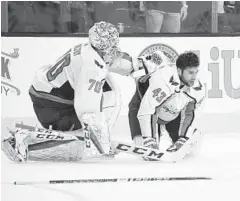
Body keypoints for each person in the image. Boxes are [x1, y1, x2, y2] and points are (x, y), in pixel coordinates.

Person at [1, 21, 139, 162]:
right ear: (101, 44)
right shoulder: (91, 67)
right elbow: (87, 109)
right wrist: (100, 142)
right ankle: (25, 143)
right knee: (81, 147)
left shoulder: (89, 50)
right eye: (109, 44)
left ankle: (93, 136)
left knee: (109, 90)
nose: (112, 48)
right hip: (52, 106)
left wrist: (138, 65)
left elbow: (113, 61)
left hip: (48, 97)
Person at [128, 51, 205, 161]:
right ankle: (142, 137)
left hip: (172, 114)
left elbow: (191, 115)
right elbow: (147, 110)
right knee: (148, 154)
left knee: (189, 151)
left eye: (196, 72)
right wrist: (149, 139)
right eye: (190, 73)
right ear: (179, 71)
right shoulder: (163, 81)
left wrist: (183, 139)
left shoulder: (198, 88)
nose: (194, 77)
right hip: (142, 109)